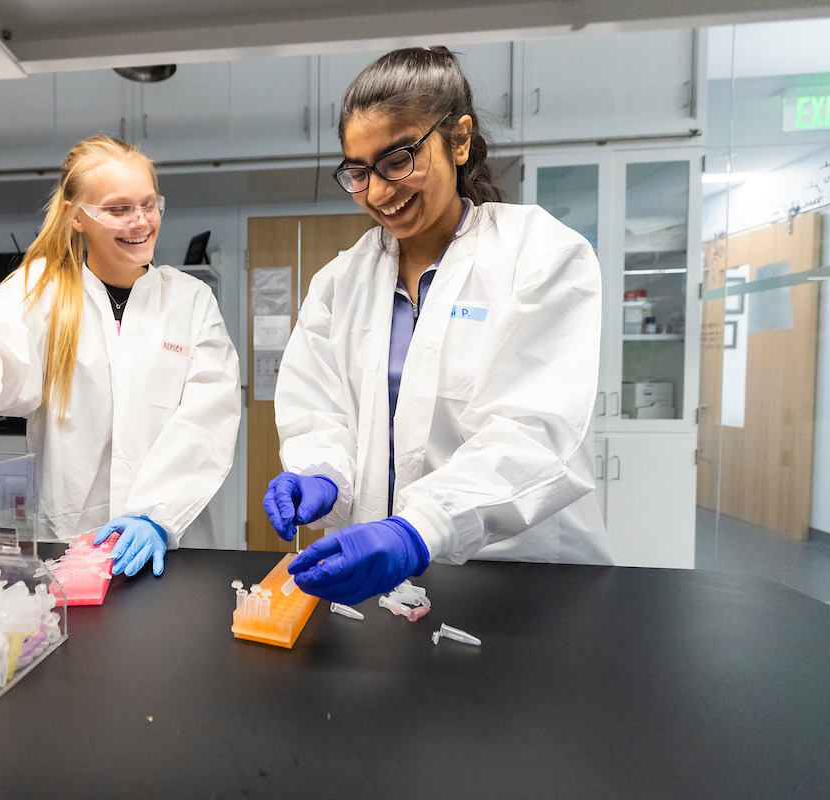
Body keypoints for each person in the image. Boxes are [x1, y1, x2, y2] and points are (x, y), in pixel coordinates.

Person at [263, 47, 613, 605]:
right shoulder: (339, 283)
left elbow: (533, 431)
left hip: (519, 579)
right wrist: (321, 472)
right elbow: (320, 409)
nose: (378, 191)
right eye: (359, 171)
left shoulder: (540, 255)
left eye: (398, 158)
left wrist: (418, 528)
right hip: (388, 584)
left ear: (459, 139)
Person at [0, 135, 241, 577]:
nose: (141, 222)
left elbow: (209, 414)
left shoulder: (189, 300)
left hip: (170, 542)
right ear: (79, 218)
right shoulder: (45, 290)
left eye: (149, 205)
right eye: (118, 209)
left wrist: (156, 513)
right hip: (73, 542)